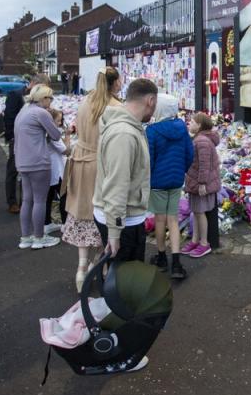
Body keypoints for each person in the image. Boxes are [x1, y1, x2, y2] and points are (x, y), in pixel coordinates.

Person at [62, 67, 122, 291]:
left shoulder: (85, 102)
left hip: (80, 163)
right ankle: (101, 266)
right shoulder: (116, 107)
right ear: (114, 83)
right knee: (102, 216)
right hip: (101, 165)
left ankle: (81, 268)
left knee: (81, 214)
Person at [93, 78, 158, 262]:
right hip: (123, 222)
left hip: (124, 217)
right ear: (150, 101)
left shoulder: (130, 128)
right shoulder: (125, 133)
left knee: (125, 277)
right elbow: (117, 184)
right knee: (125, 279)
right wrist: (114, 232)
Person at [146, 94, 193, 278]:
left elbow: (148, 158)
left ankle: (161, 257)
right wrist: (181, 170)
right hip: (175, 180)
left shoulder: (152, 130)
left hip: (157, 181)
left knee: (160, 219)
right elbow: (190, 154)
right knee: (173, 220)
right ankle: (177, 263)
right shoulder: (182, 128)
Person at [14, 84, 63, 250]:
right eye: (50, 98)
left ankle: (25, 237)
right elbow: (56, 135)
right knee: (40, 200)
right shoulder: (41, 112)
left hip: (22, 161)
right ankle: (39, 238)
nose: (51, 101)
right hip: (38, 162)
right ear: (44, 98)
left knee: (27, 200)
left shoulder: (23, 111)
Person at [4, 74, 49, 214]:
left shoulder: (39, 101)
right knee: (13, 170)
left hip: (34, 142)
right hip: (17, 140)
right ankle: (12, 202)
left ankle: (26, 202)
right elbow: (9, 117)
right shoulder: (15, 95)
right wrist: (12, 138)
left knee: (29, 173)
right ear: (34, 84)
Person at [183, 112, 220, 259]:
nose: (189, 124)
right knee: (196, 212)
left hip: (200, 183)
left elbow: (204, 164)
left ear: (199, 125)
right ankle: (195, 240)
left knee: (200, 212)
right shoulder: (200, 139)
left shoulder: (202, 141)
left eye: (191, 122)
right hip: (195, 182)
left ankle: (204, 243)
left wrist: (202, 183)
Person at [44, 107, 69, 235]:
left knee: (48, 197)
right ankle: (65, 223)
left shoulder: (46, 133)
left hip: (48, 169)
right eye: (58, 121)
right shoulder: (54, 136)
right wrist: (68, 135)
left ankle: (46, 223)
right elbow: (66, 150)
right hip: (57, 170)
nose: (60, 123)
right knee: (64, 195)